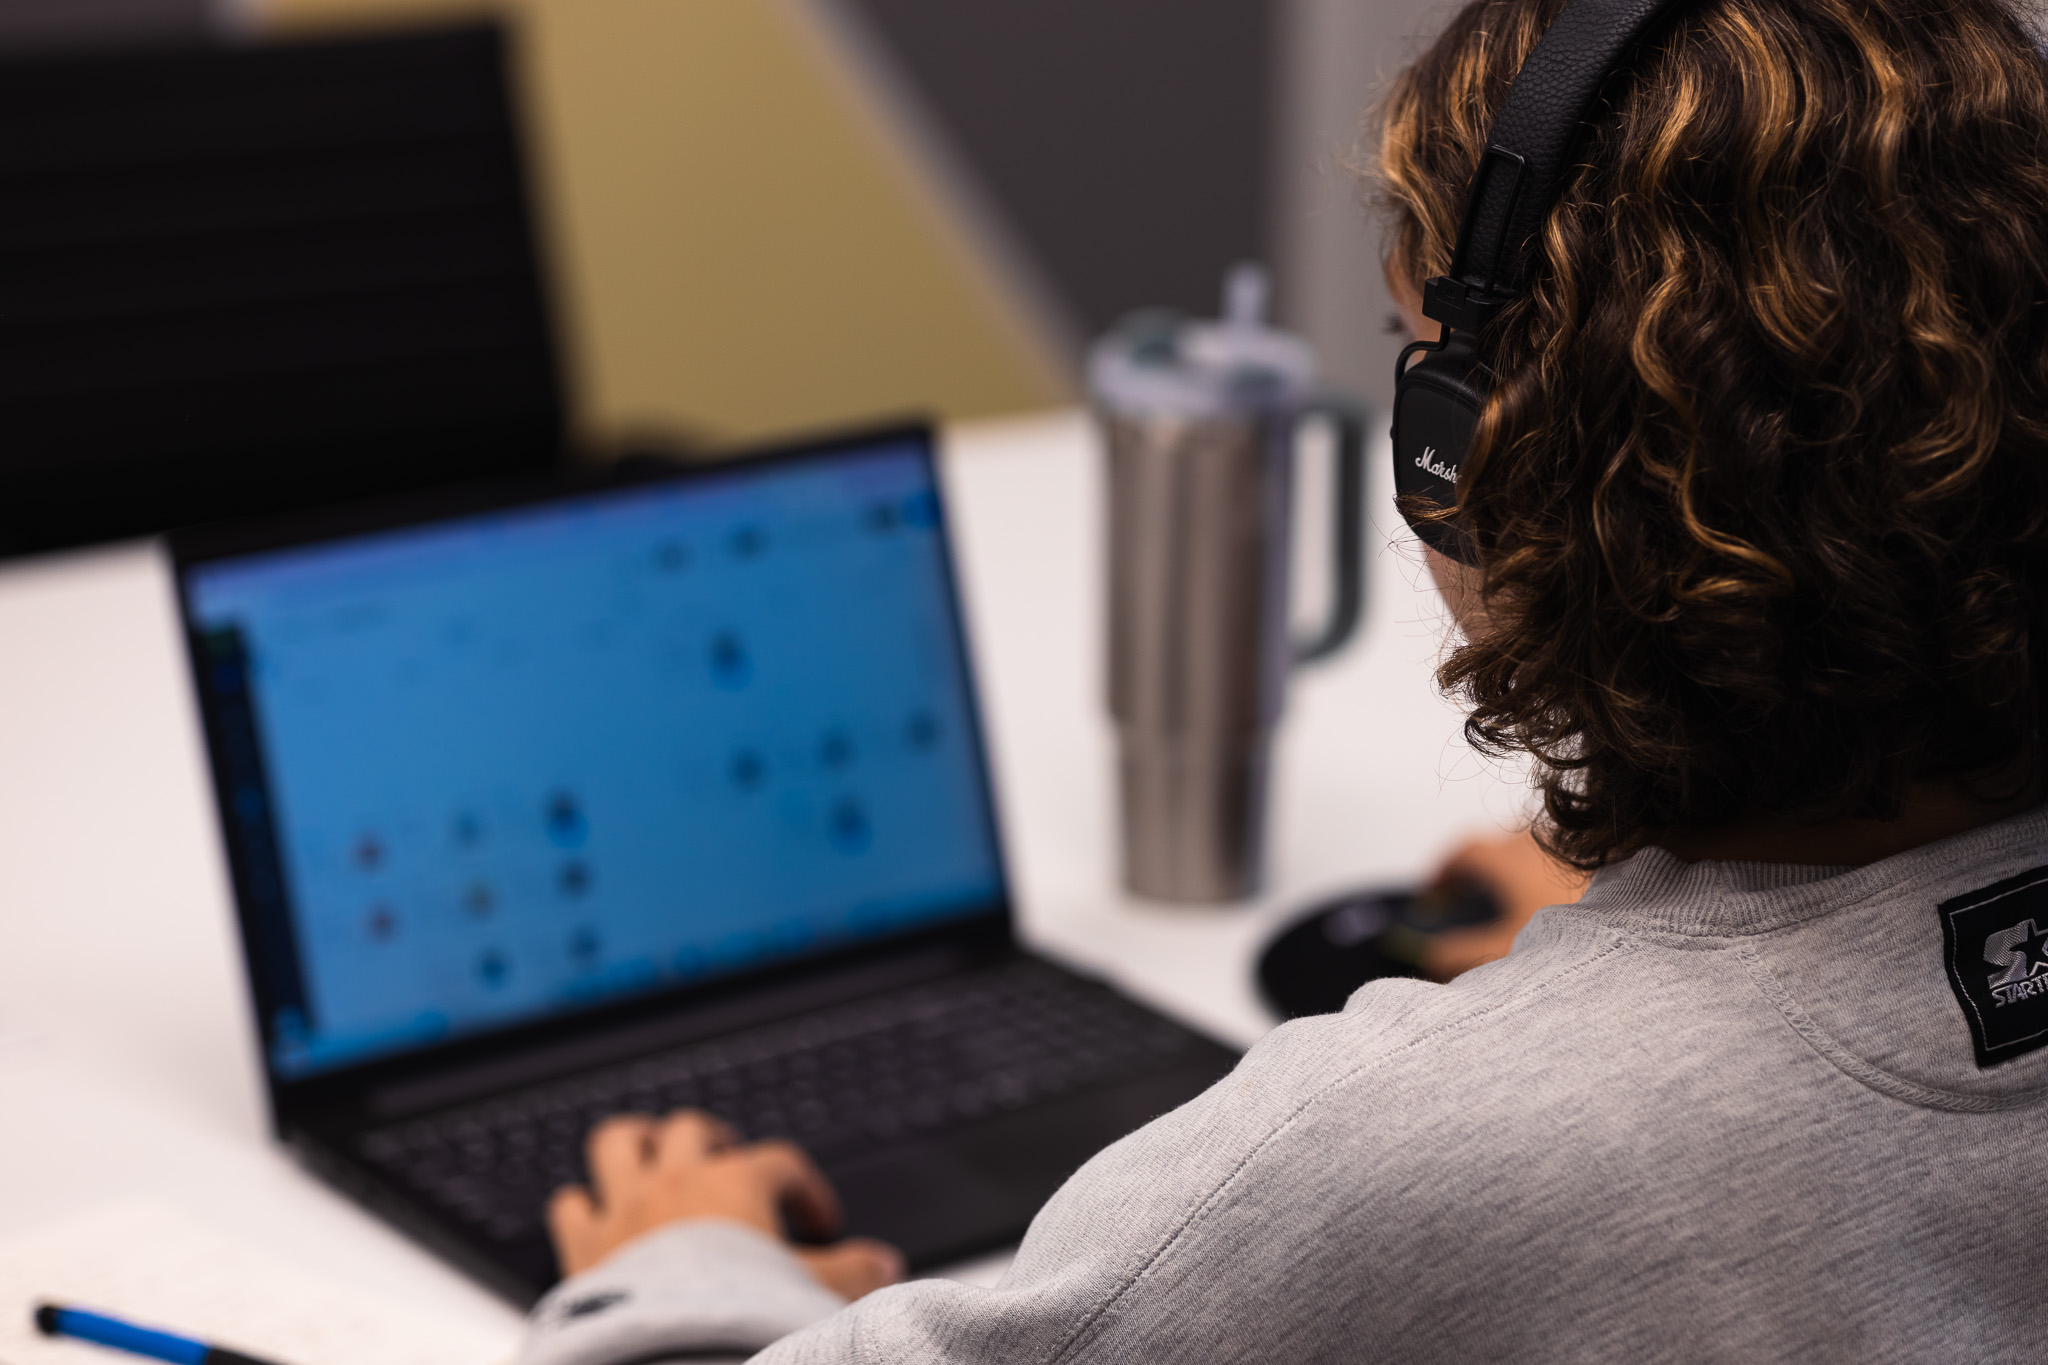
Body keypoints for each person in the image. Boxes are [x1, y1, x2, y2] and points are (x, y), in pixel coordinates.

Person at [519, 0, 2048, 1358]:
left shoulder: (1390, 1161)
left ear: (1476, 454)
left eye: (1411, 346)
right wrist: (1656, 969)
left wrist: (686, 1265)